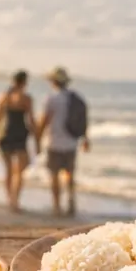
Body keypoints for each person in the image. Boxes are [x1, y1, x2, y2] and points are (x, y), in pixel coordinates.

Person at [36, 66, 89, 217]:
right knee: (70, 175)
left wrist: (38, 139)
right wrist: (85, 138)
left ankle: (57, 206)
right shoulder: (75, 98)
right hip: (71, 143)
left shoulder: (51, 98)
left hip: (54, 143)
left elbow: (44, 121)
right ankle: (71, 203)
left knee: (54, 176)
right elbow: (83, 119)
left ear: (53, 81)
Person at [0, 71, 34, 212]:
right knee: (20, 170)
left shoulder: (3, 97)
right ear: (25, 82)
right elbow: (31, 120)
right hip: (20, 135)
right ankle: (16, 201)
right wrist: (37, 138)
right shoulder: (26, 98)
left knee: (8, 170)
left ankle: (10, 200)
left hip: (6, 134)